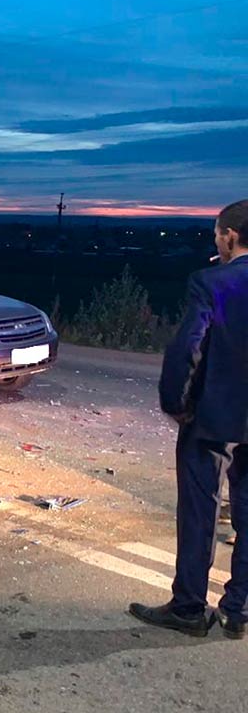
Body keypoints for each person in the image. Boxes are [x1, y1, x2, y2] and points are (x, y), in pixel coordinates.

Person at [131, 199, 248, 639]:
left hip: (213, 418)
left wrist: (175, 403)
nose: (215, 239)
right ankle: (238, 609)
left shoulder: (211, 282)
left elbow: (187, 348)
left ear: (230, 236)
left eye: (217, 232)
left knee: (199, 512)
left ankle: (189, 608)